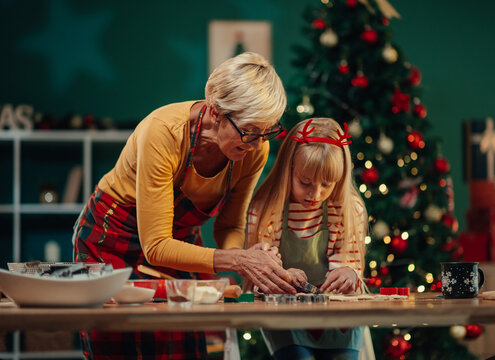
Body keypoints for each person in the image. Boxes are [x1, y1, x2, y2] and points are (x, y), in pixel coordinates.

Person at [73, 52, 294, 360]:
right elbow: (157, 246)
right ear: (216, 112)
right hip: (113, 237)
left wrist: (247, 256)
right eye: (250, 131)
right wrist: (238, 260)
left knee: (182, 346)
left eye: (266, 131)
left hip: (179, 242)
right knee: (117, 345)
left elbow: (230, 225)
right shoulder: (163, 131)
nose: (258, 144)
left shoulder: (253, 149)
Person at [246, 118, 369, 360]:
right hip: (285, 316)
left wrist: (348, 273)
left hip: (339, 317)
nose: (316, 194)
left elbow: (349, 262)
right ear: (287, 169)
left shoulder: (348, 209)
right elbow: (259, 274)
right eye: (305, 183)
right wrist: (281, 275)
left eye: (327, 184)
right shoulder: (266, 209)